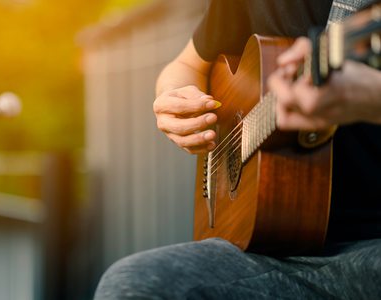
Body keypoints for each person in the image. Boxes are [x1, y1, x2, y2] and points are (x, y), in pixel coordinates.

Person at [94, 0, 381, 298]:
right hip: (272, 249)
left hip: (372, 248)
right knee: (132, 284)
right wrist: (173, 99)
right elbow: (187, 64)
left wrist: (372, 98)